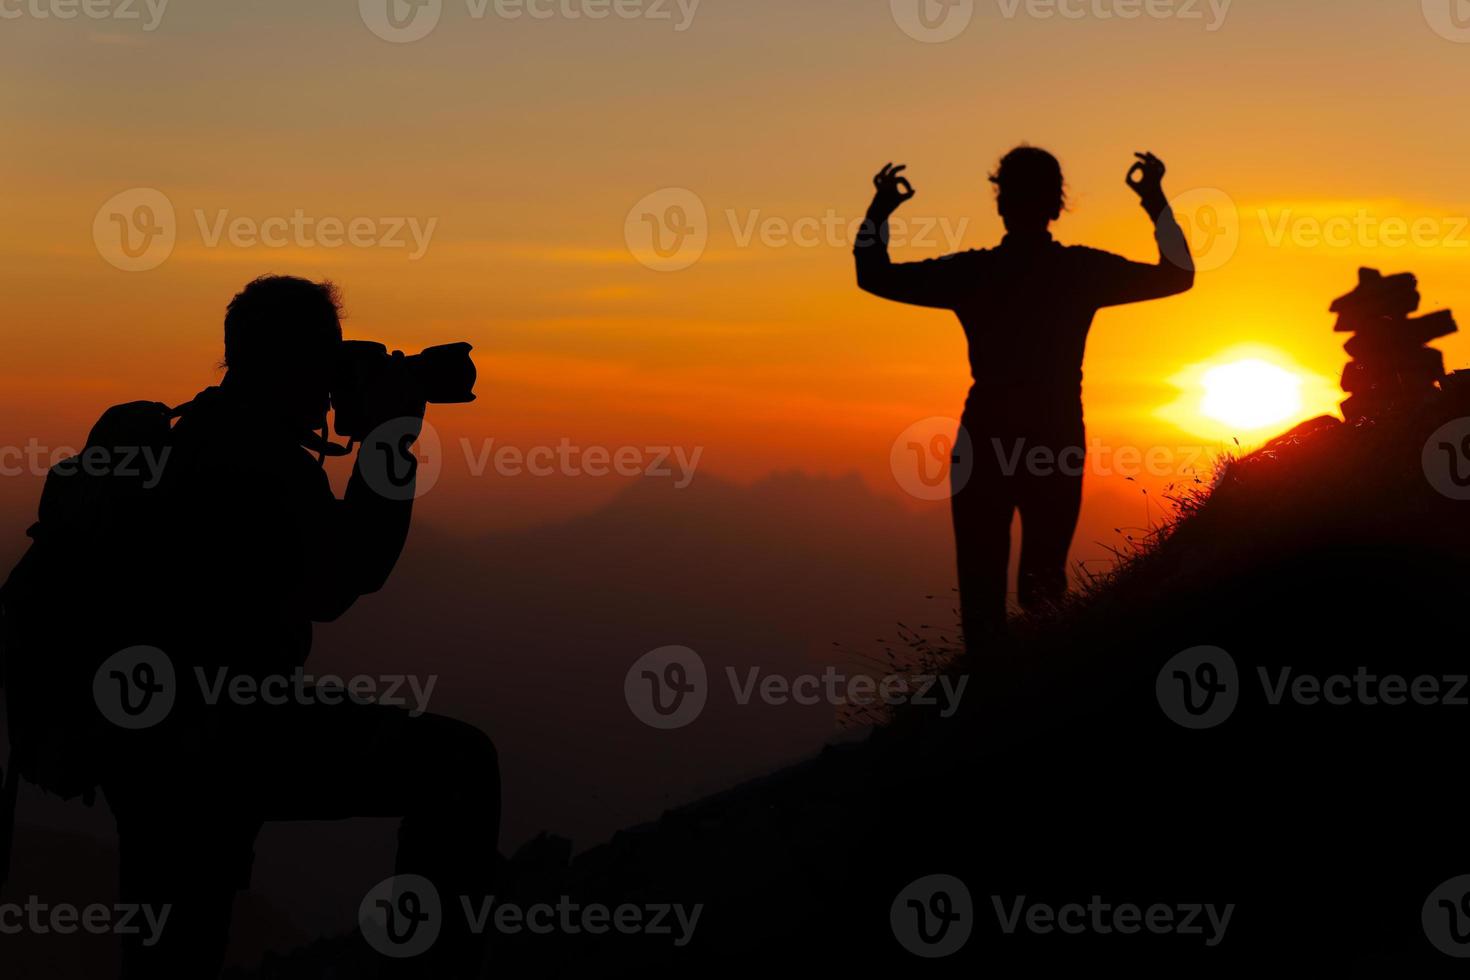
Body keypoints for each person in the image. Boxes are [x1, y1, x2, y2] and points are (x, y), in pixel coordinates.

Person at [98, 275, 500, 977]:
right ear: (295, 361)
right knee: (457, 765)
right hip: (220, 740)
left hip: (154, 745)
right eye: (327, 358)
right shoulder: (257, 458)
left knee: (172, 946)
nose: (332, 380)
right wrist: (387, 441)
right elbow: (347, 578)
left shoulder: (197, 437)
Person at [855, 147, 1195, 641]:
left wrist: (879, 212)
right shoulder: (1081, 271)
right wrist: (1154, 201)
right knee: (1043, 591)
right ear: (1058, 205)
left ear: (1000, 202)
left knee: (980, 596)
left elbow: (873, 274)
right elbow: (1177, 274)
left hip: (985, 438)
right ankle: (1039, 702)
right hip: (1054, 439)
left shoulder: (973, 273)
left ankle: (984, 704)